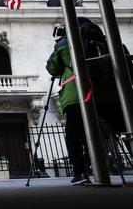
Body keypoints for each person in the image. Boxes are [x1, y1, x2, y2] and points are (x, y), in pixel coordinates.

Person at [46, 16, 122, 185]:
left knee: (74, 133)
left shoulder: (65, 44)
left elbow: (52, 68)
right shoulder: (105, 41)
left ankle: (80, 172)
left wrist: (60, 44)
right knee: (108, 128)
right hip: (110, 96)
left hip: (78, 95)